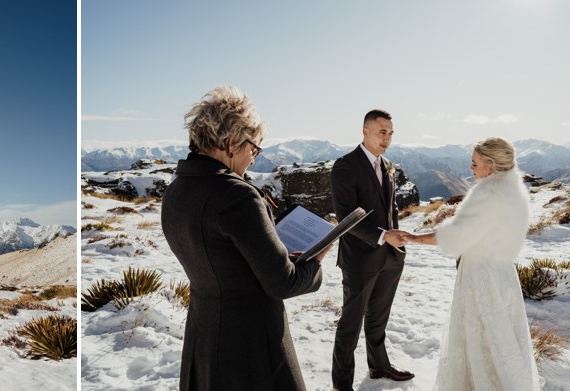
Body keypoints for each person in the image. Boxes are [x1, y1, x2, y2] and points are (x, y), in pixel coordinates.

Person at [161, 85, 327, 391]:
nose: (253, 159)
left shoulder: (175, 191)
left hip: (204, 337)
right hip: (252, 349)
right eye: (253, 149)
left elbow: (223, 258)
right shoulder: (237, 196)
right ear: (231, 143)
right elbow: (283, 282)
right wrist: (315, 262)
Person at [402, 137, 540, 390]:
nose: (471, 168)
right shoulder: (513, 189)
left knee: (481, 337)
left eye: (475, 163)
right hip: (503, 274)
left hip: (481, 275)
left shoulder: (487, 194)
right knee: (502, 337)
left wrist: (413, 238)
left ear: (490, 164)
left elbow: (456, 237)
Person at [329, 109, 414, 390]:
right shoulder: (345, 166)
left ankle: (379, 367)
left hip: (390, 257)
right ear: (365, 131)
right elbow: (346, 217)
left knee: (378, 320)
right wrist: (383, 236)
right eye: (381, 132)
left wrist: (397, 241)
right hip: (359, 259)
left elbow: (391, 209)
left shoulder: (387, 165)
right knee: (350, 326)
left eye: (390, 133)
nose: (387, 139)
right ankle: (342, 384)